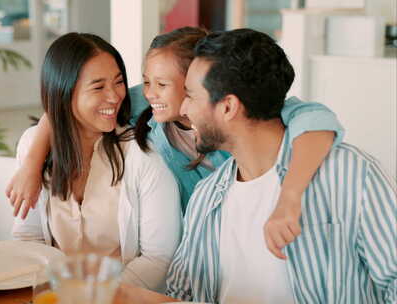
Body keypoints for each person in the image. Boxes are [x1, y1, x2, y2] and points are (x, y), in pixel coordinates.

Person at [6, 27, 345, 259]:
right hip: (199, 252)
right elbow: (68, 102)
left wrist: (290, 197)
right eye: (145, 81)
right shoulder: (152, 109)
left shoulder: (244, 118)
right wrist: (33, 161)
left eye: (161, 84)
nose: (148, 91)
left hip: (254, 240)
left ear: (198, 81)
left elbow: (316, 119)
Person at [166, 28, 396, 303]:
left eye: (191, 95)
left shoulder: (351, 175)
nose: (183, 109)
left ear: (228, 107)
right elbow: (181, 293)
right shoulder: (206, 197)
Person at [10, 32, 182, 292]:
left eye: (119, 82)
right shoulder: (34, 146)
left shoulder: (143, 158)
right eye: (98, 87)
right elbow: (28, 237)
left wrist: (94, 296)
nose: (114, 96)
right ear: (64, 93)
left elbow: (158, 259)